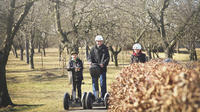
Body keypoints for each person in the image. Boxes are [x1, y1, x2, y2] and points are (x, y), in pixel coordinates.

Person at [88, 35, 110, 102]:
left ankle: (103, 97)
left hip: (102, 68)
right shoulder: (92, 49)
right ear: (96, 41)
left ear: (102, 41)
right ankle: (96, 97)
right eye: (97, 41)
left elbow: (107, 58)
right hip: (94, 68)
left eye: (100, 41)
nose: (99, 42)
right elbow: (89, 57)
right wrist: (90, 62)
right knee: (94, 83)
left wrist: (103, 63)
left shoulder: (105, 48)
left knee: (102, 83)